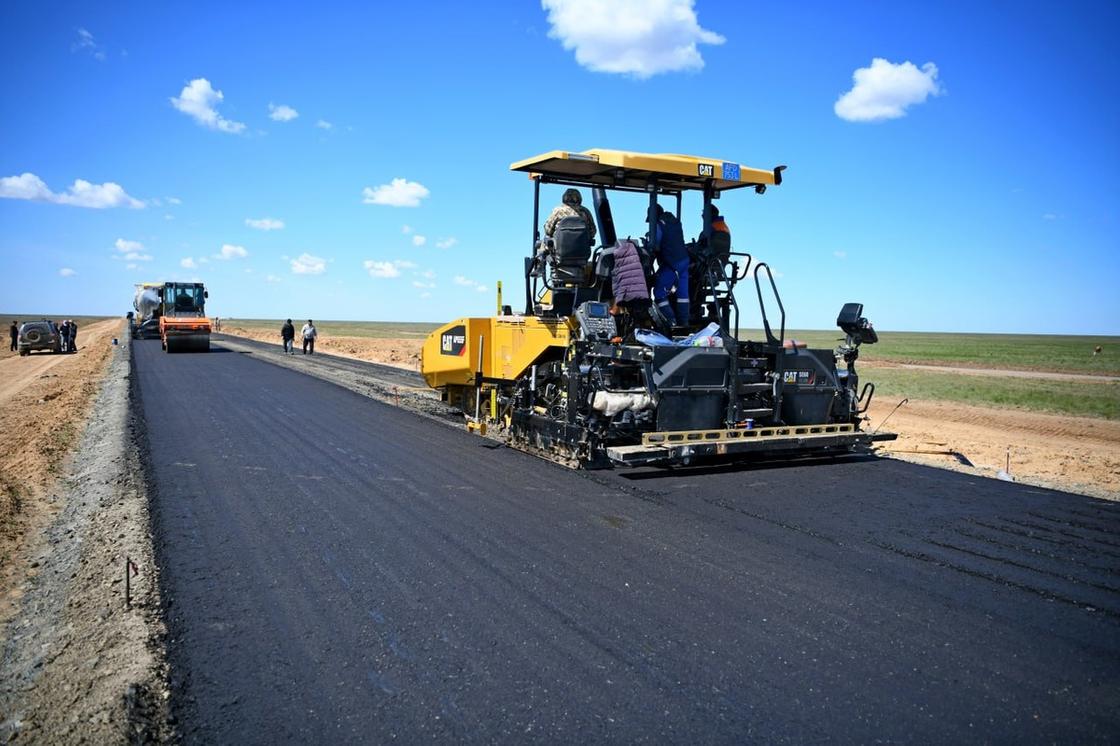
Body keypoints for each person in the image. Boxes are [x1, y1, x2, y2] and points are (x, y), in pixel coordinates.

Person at [650, 205, 690, 326]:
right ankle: (684, 322)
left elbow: (655, 243)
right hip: (684, 261)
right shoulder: (675, 222)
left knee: (659, 292)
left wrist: (648, 243)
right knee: (683, 294)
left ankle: (671, 321)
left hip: (673, 264)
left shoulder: (659, 224)